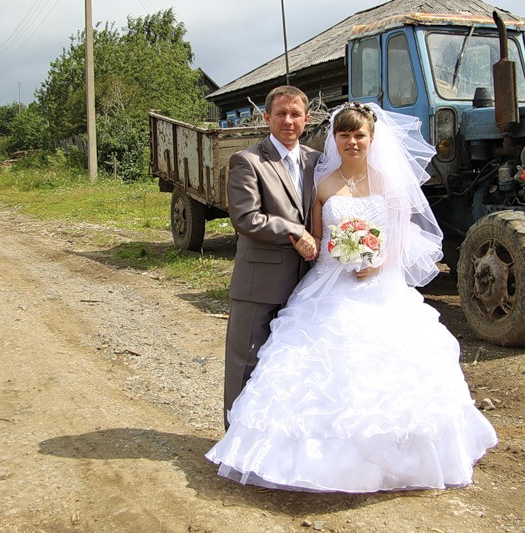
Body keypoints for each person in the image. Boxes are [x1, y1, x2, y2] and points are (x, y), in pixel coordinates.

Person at [207, 102, 497, 492]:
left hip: (379, 286)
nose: (352, 142)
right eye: (344, 135)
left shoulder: (388, 183)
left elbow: (401, 234)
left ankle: (394, 458)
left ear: (372, 139)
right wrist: (335, 251)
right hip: (329, 284)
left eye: (359, 135)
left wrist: (378, 261)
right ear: (334, 138)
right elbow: (315, 237)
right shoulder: (324, 184)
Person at [223, 86, 321, 428]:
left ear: (307, 120)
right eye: (281, 114)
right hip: (260, 284)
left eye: (296, 115)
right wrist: (294, 230)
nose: (288, 121)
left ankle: (273, 441)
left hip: (307, 285)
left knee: (288, 365)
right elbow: (246, 218)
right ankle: (234, 438)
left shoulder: (316, 161)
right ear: (267, 118)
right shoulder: (247, 161)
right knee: (246, 363)